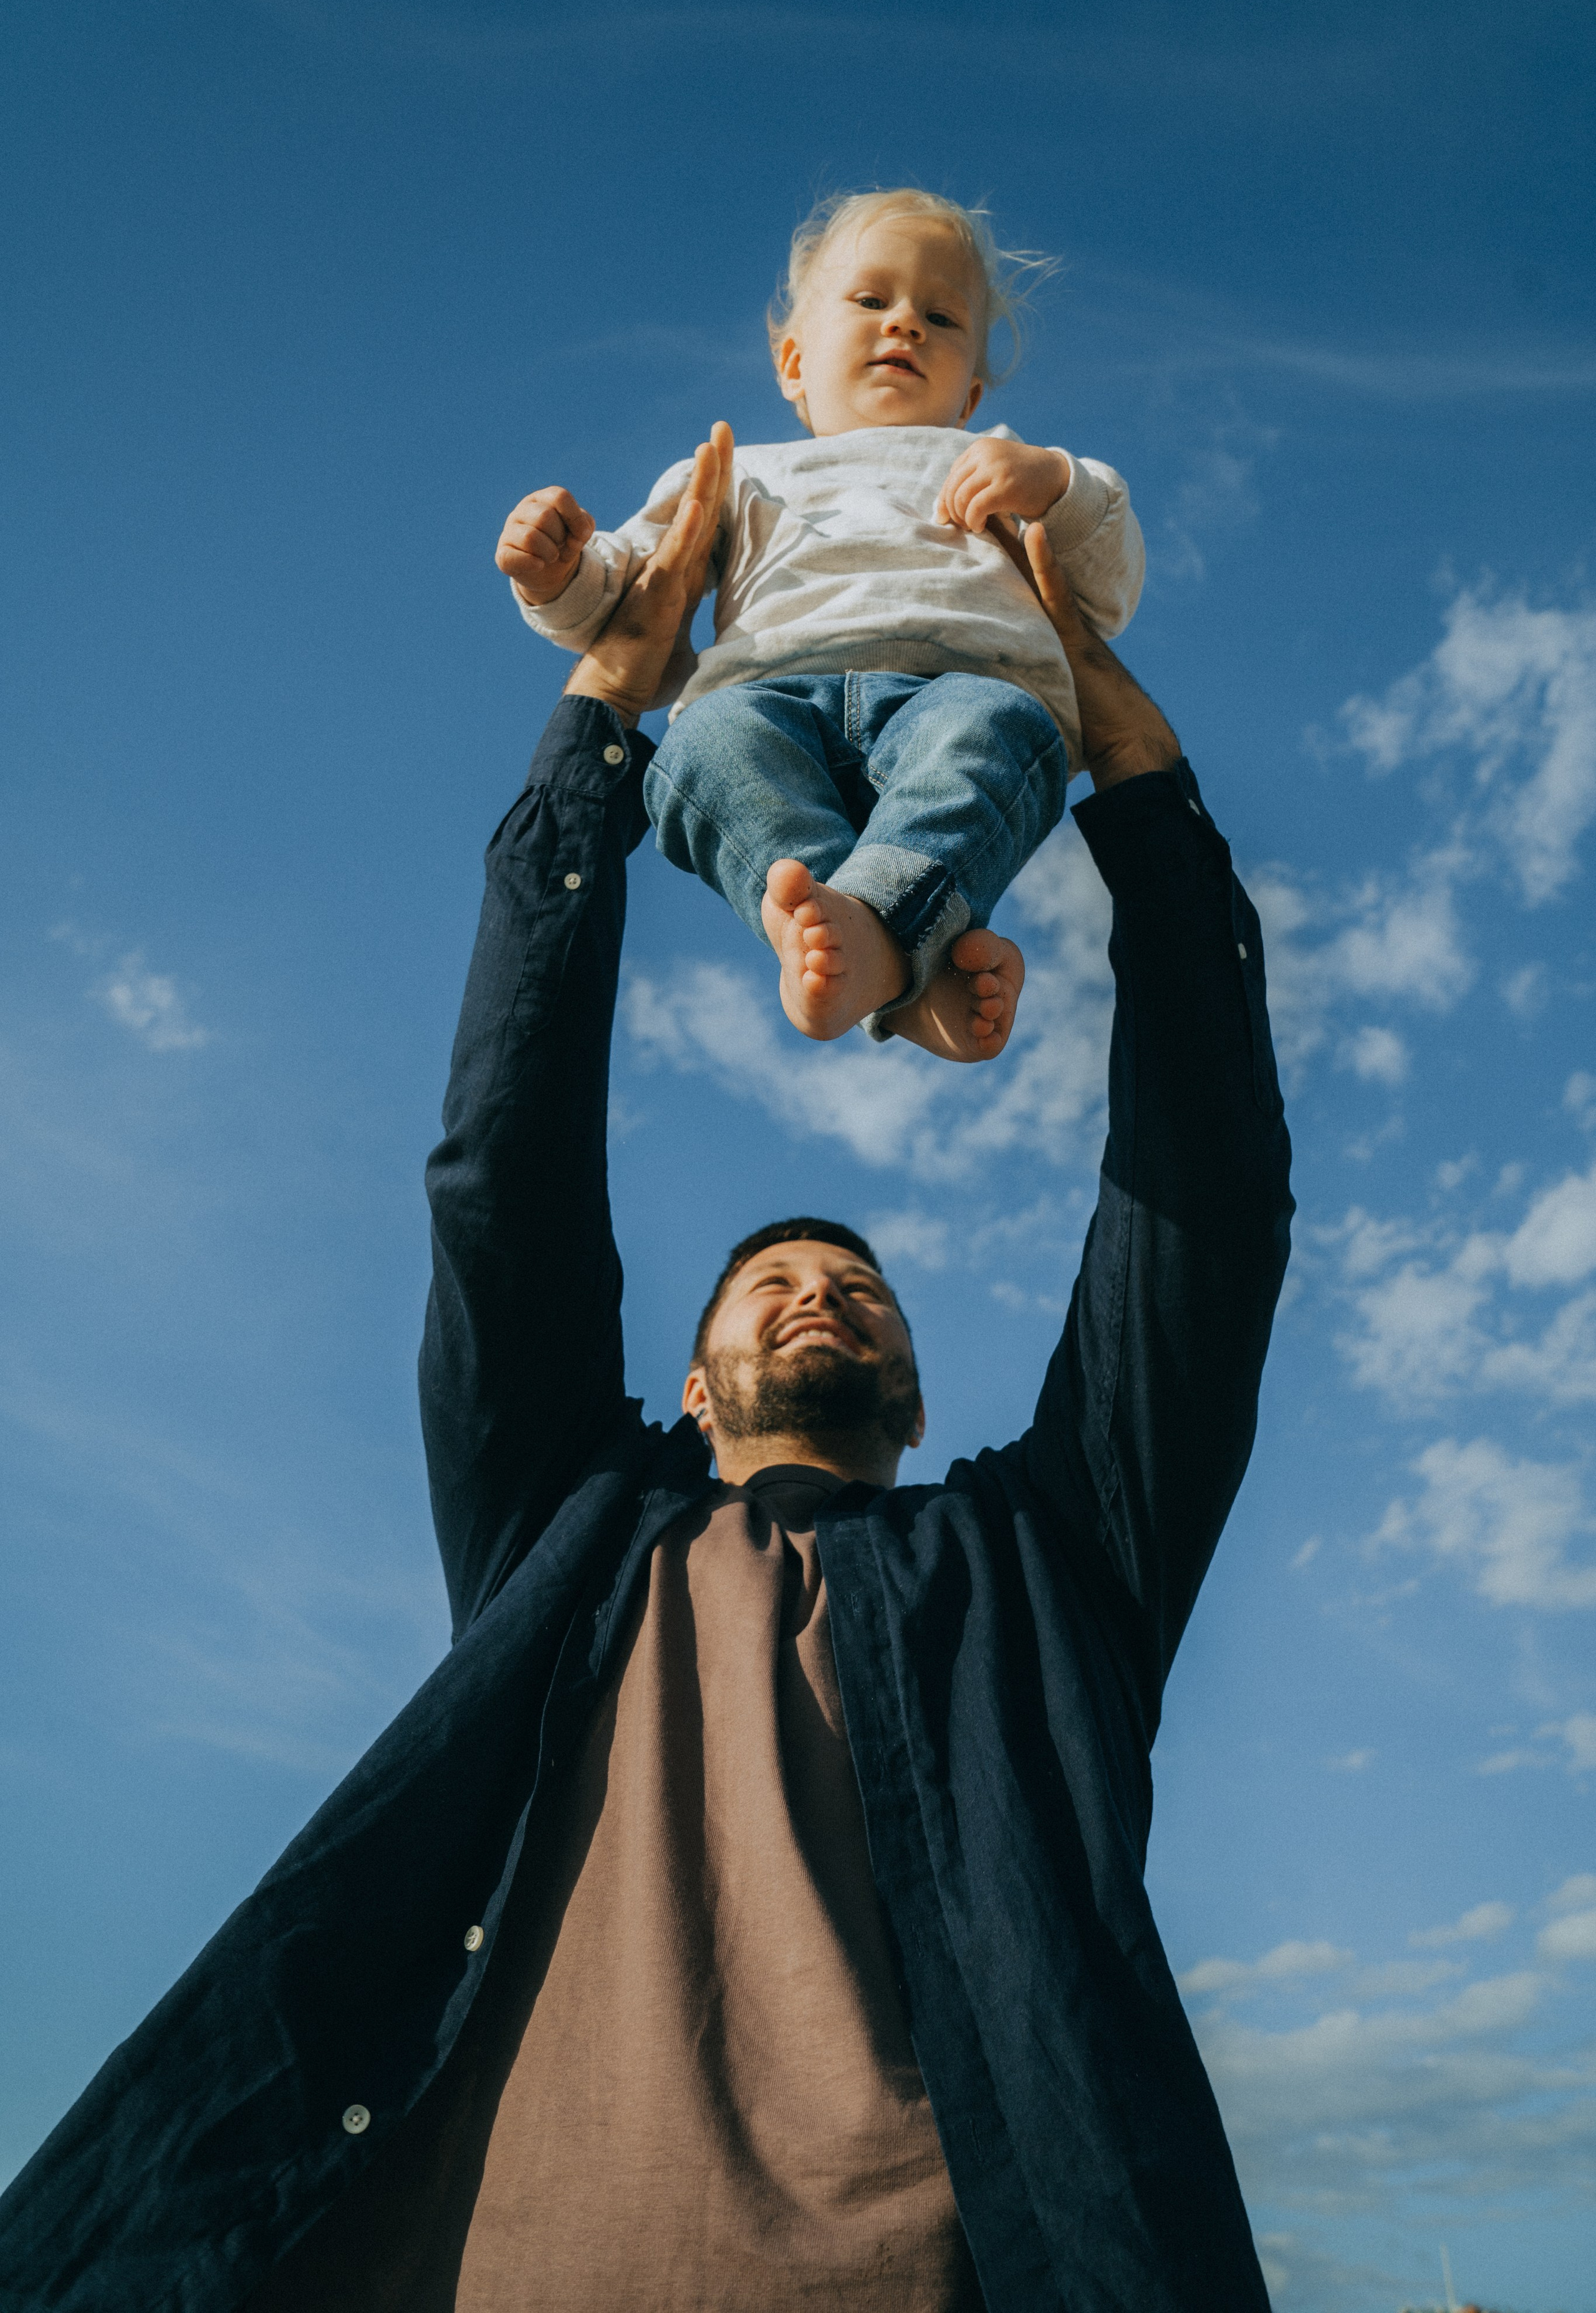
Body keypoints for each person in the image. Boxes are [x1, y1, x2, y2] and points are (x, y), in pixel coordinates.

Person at [0, 439, 1293, 2313]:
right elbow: (501, 1178)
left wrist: (1119, 746)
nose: (815, 1294)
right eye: (769, 1281)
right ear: (690, 1386)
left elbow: (1211, 1218)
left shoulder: (1044, 1571)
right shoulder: (567, 1535)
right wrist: (614, 694)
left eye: (852, 1284)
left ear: (918, 1397)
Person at [496, 188, 1145, 1063]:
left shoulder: (988, 460)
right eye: (873, 300)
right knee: (705, 749)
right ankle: (902, 947)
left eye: (942, 317)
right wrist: (561, 571)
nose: (906, 325)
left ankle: (883, 940)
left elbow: (1108, 590)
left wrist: (1058, 485)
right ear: (795, 364)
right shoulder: (739, 475)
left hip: (951, 694)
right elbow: (627, 597)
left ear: (971, 394)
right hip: (771, 701)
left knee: (998, 737)